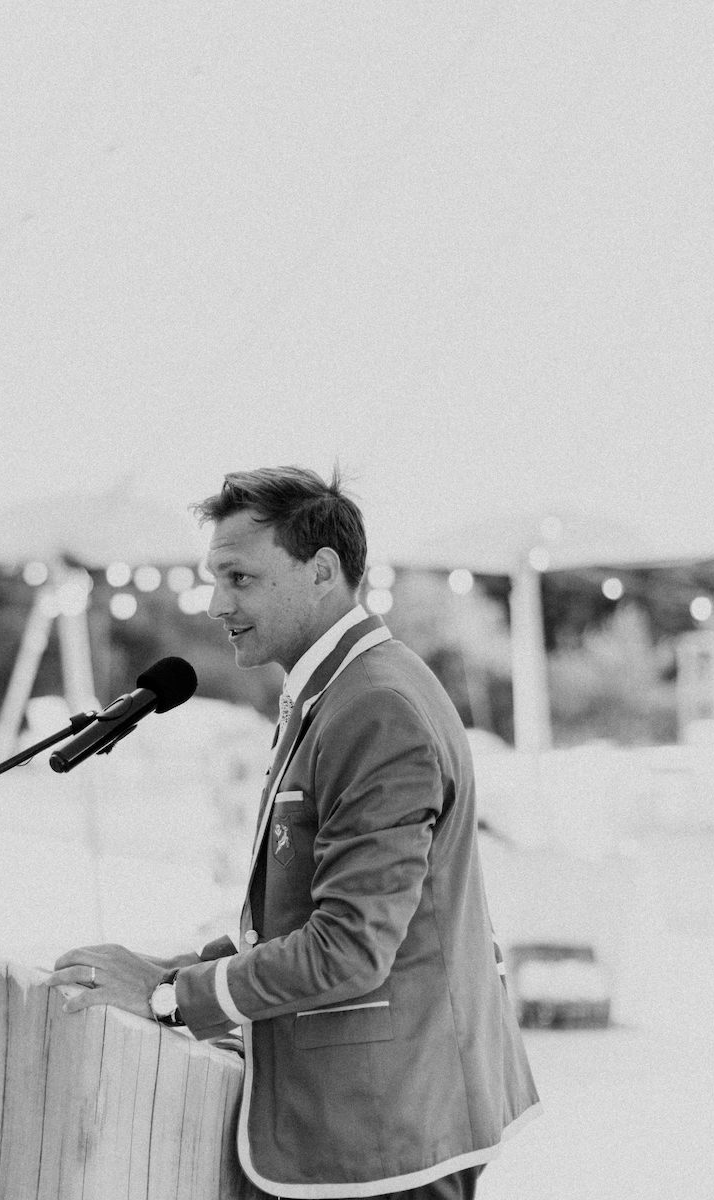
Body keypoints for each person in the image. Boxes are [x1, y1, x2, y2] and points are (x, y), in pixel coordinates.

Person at [52, 466, 539, 1200]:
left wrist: (170, 1000)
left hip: (388, 1129)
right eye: (216, 579)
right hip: (363, 1118)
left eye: (240, 577)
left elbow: (349, 947)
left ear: (322, 571)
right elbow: (300, 914)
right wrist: (164, 970)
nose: (218, 604)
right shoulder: (337, 688)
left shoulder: (379, 709)